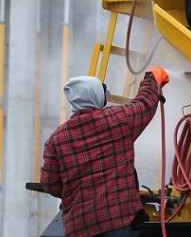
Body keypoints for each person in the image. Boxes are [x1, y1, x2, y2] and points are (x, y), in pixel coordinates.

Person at [40, 66, 169, 237]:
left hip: (80, 227)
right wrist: (152, 78)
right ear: (97, 97)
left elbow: (50, 183)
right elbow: (145, 103)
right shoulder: (117, 119)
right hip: (119, 221)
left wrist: (78, 192)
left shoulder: (56, 138)